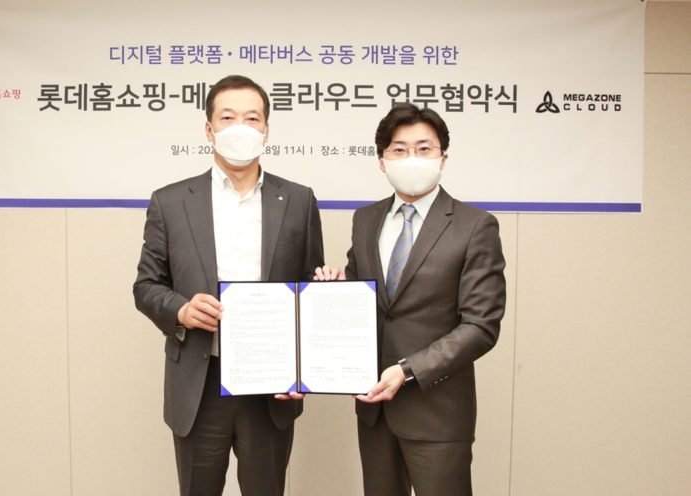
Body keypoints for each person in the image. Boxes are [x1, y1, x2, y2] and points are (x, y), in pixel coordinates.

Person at [133, 74, 324, 496]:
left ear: (266, 130)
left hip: (270, 385)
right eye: (228, 117)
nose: (241, 127)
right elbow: (146, 286)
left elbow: (310, 291)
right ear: (209, 129)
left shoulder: (298, 200)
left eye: (252, 118)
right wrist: (181, 310)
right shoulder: (171, 201)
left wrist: (303, 369)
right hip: (200, 382)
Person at [316, 103, 506, 495]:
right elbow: (366, 299)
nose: (412, 158)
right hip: (374, 409)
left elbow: (480, 326)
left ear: (443, 158)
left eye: (424, 149)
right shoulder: (365, 219)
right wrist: (335, 291)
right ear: (382, 161)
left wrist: (407, 370)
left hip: (437, 412)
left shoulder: (475, 226)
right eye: (399, 150)